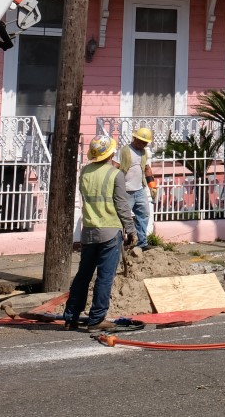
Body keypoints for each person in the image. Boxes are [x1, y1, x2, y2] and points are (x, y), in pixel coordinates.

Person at [64, 134, 137, 331]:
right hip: (110, 231)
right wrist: (130, 229)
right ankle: (96, 318)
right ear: (111, 153)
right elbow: (121, 205)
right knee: (105, 276)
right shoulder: (115, 174)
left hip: (89, 230)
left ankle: (71, 316)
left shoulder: (85, 172)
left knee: (83, 275)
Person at [118, 127, 157, 249]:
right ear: (134, 138)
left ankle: (141, 244)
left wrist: (152, 186)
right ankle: (118, 244)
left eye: (145, 142)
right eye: (140, 141)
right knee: (122, 218)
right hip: (125, 191)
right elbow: (115, 167)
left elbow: (147, 168)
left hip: (139, 190)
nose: (142, 144)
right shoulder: (124, 151)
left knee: (144, 214)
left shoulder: (144, 152)